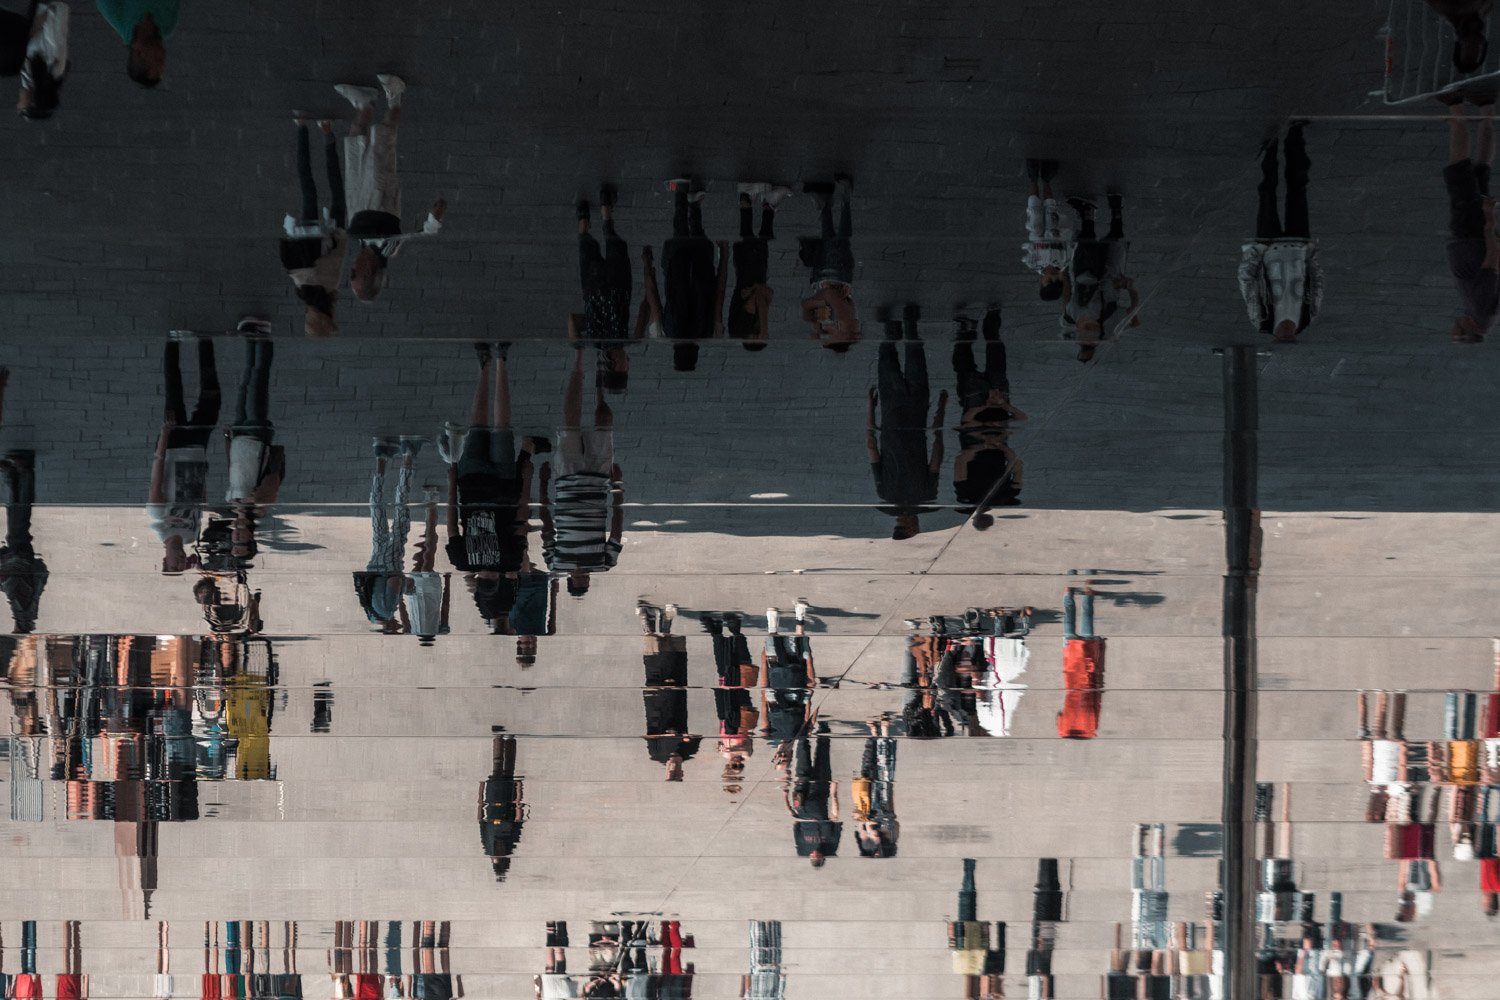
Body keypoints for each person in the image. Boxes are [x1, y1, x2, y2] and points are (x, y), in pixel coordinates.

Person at [446, 343, 539, 632]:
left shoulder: (509, 560)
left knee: (502, 425)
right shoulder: (462, 561)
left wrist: (525, 476)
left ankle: (501, 360)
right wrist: (452, 483)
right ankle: (484, 365)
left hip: (502, 483)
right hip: (471, 484)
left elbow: (520, 519)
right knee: (479, 424)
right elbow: (451, 524)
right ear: (478, 585)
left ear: (498, 583)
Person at [335, 75, 446, 302]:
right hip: (380, 193)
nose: (351, 269)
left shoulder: (361, 243)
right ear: (368, 273)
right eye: (354, 274)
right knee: (385, 136)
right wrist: (434, 219)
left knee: (356, 139)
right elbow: (419, 234)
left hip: (356, 199)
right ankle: (395, 94)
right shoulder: (388, 249)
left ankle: (365, 102)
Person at [540, 347, 623, 596]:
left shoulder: (554, 563)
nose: (581, 573)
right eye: (584, 579)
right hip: (597, 484)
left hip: (566, 482)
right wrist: (618, 488)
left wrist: (542, 485)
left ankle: (577, 359)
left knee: (570, 424)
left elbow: (546, 527)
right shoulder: (604, 564)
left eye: (577, 578)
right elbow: (617, 530)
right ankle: (599, 387)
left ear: (568, 578)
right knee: (604, 421)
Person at [867, 305, 947, 540]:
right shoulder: (886, 492)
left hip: (916, 416)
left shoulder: (926, 493)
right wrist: (871, 406)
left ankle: (910, 322)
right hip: (891, 415)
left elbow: (937, 454)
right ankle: (891, 331)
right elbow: (871, 446)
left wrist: (940, 411)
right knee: (887, 363)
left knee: (915, 361)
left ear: (915, 526)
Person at [1239, 121, 1322, 343]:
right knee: (1298, 189)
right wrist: (1311, 255)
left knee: (1267, 193)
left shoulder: (1262, 320)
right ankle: (1295, 135)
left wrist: (1255, 252)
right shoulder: (1306, 318)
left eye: (1281, 337)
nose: (1286, 333)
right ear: (1295, 336)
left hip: (1268, 247)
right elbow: (1316, 284)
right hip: (1297, 245)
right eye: (1290, 337)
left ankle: (1271, 146)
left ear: (1276, 336)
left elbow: (1247, 283)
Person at [642, 178, 728, 371]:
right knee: (679, 230)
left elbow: (720, 293)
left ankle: (695, 203)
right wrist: (647, 264)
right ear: (674, 350)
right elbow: (652, 296)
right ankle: (680, 190)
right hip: (675, 261)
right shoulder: (664, 332)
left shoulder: (710, 332)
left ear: (696, 349)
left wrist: (724, 256)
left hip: (702, 258)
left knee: (697, 233)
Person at [151, 333, 218, 574]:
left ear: (164, 560)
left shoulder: (159, 523)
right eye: (181, 566)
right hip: (197, 451)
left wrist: (165, 434)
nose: (179, 561)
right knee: (212, 399)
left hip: (174, 447)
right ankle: (205, 341)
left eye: (173, 565)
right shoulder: (192, 535)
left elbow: (156, 477)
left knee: (174, 392)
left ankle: (172, 341)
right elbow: (200, 501)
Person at [952, 308, 1025, 528]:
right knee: (970, 372)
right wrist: (991, 445)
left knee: (987, 371)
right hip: (984, 433)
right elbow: (962, 461)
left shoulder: (1000, 498)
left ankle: (989, 325)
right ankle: (973, 331)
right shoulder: (967, 496)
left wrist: (994, 445)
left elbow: (1017, 465)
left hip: (986, 431)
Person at [1440, 93, 1499, 343]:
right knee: (1458, 169)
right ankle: (1455, 105)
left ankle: (1487, 106)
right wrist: (1489, 219)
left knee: (1480, 168)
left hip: (1473, 233)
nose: (1455, 324)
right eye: (1456, 329)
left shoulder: (1484, 315)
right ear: (1467, 329)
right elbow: (1493, 260)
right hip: (1472, 230)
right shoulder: (1481, 309)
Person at [282, 116, 346, 337]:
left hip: (332, 232)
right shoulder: (303, 291)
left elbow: (337, 255)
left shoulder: (330, 286)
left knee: (336, 190)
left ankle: (327, 132)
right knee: (307, 186)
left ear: (328, 314)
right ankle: (301, 127)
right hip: (305, 237)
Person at [1055, 192, 1138, 362]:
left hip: (1083, 272)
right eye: (1088, 345)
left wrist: (1063, 271)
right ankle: (1116, 208)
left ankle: (1088, 211)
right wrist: (1130, 289)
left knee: (1086, 242)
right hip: (1110, 276)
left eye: (1081, 344)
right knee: (1114, 239)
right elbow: (1134, 317)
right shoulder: (1108, 326)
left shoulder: (1070, 321)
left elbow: (1066, 298)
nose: (1084, 339)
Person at [353, 437, 418, 633]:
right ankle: (380, 456)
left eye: (397, 629)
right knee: (377, 513)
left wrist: (407, 586)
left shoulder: (388, 611)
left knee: (401, 514)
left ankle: (408, 455)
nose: (399, 625)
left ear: (390, 628)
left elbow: (395, 581)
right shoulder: (371, 613)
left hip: (390, 564)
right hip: (375, 564)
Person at [575, 183, 637, 388]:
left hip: (618, 285)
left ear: (617, 365)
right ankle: (583, 217)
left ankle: (605, 207)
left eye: (625, 367)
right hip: (593, 289)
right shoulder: (595, 340)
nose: (628, 362)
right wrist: (577, 343)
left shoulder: (625, 341)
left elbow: (646, 307)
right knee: (586, 248)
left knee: (614, 243)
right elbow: (573, 320)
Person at [638, 602, 701, 781]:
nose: (674, 771)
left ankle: (647, 622)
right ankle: (666, 623)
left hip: (656, 699)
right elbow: (697, 736)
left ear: (666, 772)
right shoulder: (689, 752)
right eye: (677, 774)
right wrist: (683, 736)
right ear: (682, 772)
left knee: (654, 660)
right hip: (677, 698)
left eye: (670, 774)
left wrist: (665, 735)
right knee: (674, 658)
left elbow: (646, 735)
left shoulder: (656, 754)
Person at [799, 175, 860, 351]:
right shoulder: (844, 319)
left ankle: (826, 204)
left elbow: (811, 303)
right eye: (828, 338)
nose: (824, 335)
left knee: (827, 239)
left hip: (822, 276)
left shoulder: (827, 323)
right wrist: (812, 313)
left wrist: (815, 322)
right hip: (836, 274)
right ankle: (845, 200)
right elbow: (828, 295)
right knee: (840, 239)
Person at [727, 182, 790, 350]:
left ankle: (746, 197)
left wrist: (765, 326)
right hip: (755, 275)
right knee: (761, 241)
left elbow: (759, 298)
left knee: (750, 238)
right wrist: (758, 289)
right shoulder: (750, 327)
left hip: (747, 273)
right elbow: (768, 293)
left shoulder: (742, 328)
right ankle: (767, 205)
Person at [0, 449, 46, 634]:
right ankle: (24, 469)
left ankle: (11, 474)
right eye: (17, 631)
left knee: (15, 512)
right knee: (20, 511)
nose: (14, 629)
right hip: (19, 554)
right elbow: (14, 583)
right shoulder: (24, 612)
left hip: (18, 555)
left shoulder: (23, 612)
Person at [782, 725, 841, 866]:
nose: (815, 855)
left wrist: (785, 794)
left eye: (813, 858)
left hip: (802, 794)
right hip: (821, 792)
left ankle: (803, 728)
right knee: (823, 756)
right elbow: (835, 818)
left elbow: (794, 819)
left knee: (802, 754)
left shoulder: (802, 845)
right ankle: (823, 728)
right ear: (823, 858)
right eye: (818, 858)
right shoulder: (831, 844)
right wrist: (834, 793)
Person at [1058, 572, 1105, 739]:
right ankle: (1069, 590)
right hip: (1071, 668)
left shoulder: (1091, 726)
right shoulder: (1063, 730)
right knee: (1069, 623)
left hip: (1089, 665)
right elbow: (1059, 715)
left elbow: (1098, 699)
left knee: (1087, 618)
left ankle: (1088, 590)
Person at [478, 730, 526, 880]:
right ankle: (509, 740)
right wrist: (519, 790)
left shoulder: (488, 845)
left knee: (497, 766)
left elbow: (481, 820)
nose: (499, 852)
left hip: (492, 799)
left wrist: (480, 792)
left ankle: (498, 739)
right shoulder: (511, 841)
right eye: (501, 856)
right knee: (509, 769)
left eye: (497, 856)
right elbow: (519, 818)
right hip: (507, 800)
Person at [406, 486, 450, 645]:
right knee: (427, 555)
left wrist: (401, 591)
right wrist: (447, 582)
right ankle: (432, 503)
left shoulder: (411, 632)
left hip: (416, 592)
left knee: (421, 555)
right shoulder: (440, 631)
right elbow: (445, 608)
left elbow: (445, 608)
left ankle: (429, 518)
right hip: (428, 590)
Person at [8, 2, 67, 119]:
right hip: (43, 6)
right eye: (21, 107)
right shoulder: (52, 68)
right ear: (32, 103)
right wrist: (26, 34)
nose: (17, 104)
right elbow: (54, 19)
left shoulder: (27, 78)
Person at [852, 715, 899, 858]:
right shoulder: (891, 839)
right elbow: (895, 821)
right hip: (883, 796)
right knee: (885, 761)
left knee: (867, 763)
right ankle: (884, 730)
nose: (877, 853)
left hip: (868, 800)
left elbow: (860, 824)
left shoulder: (867, 844)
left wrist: (865, 822)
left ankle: (873, 733)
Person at [94, 0, 172, 86]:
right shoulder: (168, 26)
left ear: (139, 54)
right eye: (163, 60)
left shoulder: (115, 13)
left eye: (158, 59)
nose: (164, 53)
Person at [1023, 158, 1074, 287]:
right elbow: (1069, 246)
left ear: (1041, 282)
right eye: (1057, 281)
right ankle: (1046, 180)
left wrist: (1030, 246)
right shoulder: (1064, 262)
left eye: (1049, 281)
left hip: (1037, 232)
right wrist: (1065, 232)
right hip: (1054, 231)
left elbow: (1030, 249)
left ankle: (1033, 178)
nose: (1054, 277)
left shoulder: (1034, 264)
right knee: (1050, 206)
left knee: (1034, 208)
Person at [1426, 0, 1494, 73]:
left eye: (1469, 47)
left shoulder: (1446, 8)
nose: (1474, 45)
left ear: (1460, 43)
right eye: (1477, 48)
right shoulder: (1486, 9)